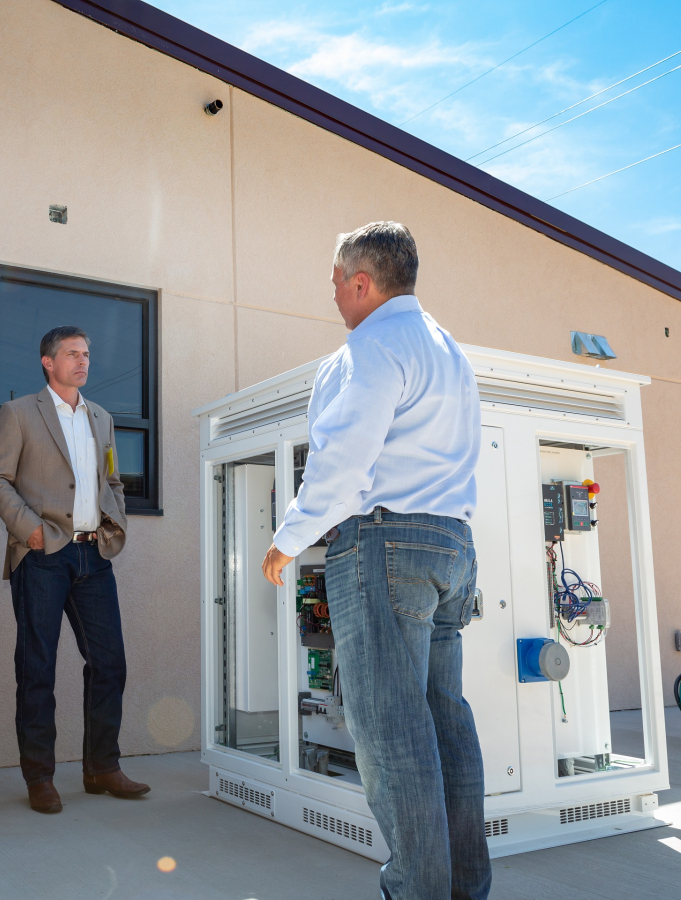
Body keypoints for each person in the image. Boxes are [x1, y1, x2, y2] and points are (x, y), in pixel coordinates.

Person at [261, 222, 488, 900]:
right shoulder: (448, 349)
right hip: (452, 547)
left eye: (335, 282)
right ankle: (464, 888)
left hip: (384, 546)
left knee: (391, 734)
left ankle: (417, 892)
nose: (332, 295)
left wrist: (288, 539)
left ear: (362, 283)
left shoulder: (369, 348)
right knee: (445, 724)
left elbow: (342, 461)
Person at [0, 326, 147, 814]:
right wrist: (30, 529)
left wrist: (112, 520)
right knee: (38, 668)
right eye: (72, 354)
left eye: (87, 354)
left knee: (109, 662)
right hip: (42, 556)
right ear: (47, 362)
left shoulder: (101, 417)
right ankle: (39, 776)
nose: (83, 361)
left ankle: (101, 767)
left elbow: (111, 478)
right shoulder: (18, 414)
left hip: (93, 557)